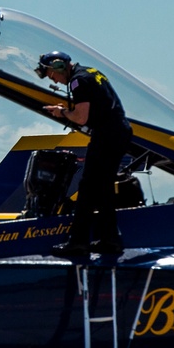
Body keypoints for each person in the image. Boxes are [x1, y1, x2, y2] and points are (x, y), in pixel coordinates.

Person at [35, 51, 133, 258]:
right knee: (103, 188)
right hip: (119, 131)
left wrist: (61, 112)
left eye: (51, 74)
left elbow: (80, 118)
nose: (54, 80)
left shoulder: (78, 81)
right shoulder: (90, 72)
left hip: (107, 135)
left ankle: (78, 242)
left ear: (60, 67)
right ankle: (110, 240)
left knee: (88, 188)